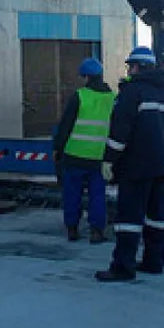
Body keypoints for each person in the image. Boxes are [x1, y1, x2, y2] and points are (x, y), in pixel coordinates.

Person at [96, 46, 164, 282]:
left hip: (136, 168)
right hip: (163, 168)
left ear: (136, 67)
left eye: (129, 65)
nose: (128, 70)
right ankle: (154, 262)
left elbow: (120, 132)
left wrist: (109, 160)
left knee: (128, 220)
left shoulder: (132, 93)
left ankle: (123, 267)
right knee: (158, 218)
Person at [51, 57, 115, 243]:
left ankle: (72, 229)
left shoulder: (79, 96)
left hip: (75, 155)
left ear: (86, 77)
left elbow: (66, 125)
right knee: (97, 195)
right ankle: (96, 231)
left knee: (72, 193)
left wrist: (58, 148)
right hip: (99, 157)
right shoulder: (112, 98)